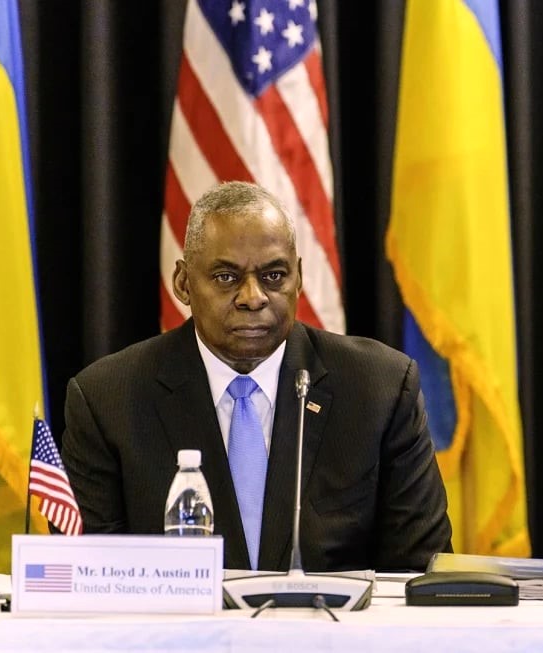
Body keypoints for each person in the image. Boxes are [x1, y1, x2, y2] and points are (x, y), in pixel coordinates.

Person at [62, 181, 452, 572]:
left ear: (299, 277)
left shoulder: (380, 389)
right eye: (226, 277)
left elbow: (422, 571)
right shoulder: (107, 401)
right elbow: (92, 578)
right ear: (183, 283)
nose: (253, 297)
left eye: (274, 275)